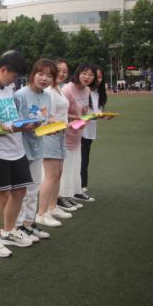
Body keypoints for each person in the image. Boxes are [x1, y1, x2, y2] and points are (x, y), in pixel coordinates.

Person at [0, 50, 36, 258]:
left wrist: (24, 124)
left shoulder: (8, 87)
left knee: (20, 191)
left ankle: (9, 230)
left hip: (16, 148)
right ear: (3, 69)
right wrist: (8, 128)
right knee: (1, 195)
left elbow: (11, 116)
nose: (15, 81)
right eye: (14, 76)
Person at [13, 59, 55, 241]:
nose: (44, 79)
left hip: (38, 147)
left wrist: (51, 126)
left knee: (33, 188)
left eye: (49, 76)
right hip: (20, 149)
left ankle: (29, 223)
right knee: (20, 191)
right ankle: (17, 225)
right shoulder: (20, 95)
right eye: (41, 74)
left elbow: (43, 121)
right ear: (33, 74)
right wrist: (27, 126)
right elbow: (13, 123)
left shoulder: (47, 97)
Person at [36, 59, 72, 227]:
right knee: (51, 176)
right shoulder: (49, 91)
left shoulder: (59, 90)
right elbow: (45, 114)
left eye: (65, 71)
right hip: (50, 134)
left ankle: (52, 207)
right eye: (59, 70)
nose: (62, 74)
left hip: (61, 133)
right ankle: (41, 213)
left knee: (58, 174)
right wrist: (54, 122)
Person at [58, 63, 96, 211]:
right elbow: (62, 113)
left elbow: (84, 111)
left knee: (75, 166)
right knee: (66, 168)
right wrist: (78, 117)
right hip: (66, 134)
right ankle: (61, 197)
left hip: (78, 134)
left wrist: (91, 115)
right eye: (84, 73)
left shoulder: (87, 90)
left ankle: (73, 193)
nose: (87, 77)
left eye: (91, 75)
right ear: (78, 73)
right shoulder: (67, 90)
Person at [77, 66, 107, 202]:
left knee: (85, 159)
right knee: (81, 159)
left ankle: (81, 186)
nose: (98, 80)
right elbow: (82, 113)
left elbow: (97, 112)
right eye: (96, 76)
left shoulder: (98, 93)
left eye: (100, 77)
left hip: (90, 130)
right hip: (80, 130)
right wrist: (95, 115)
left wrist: (103, 115)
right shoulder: (84, 91)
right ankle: (80, 187)